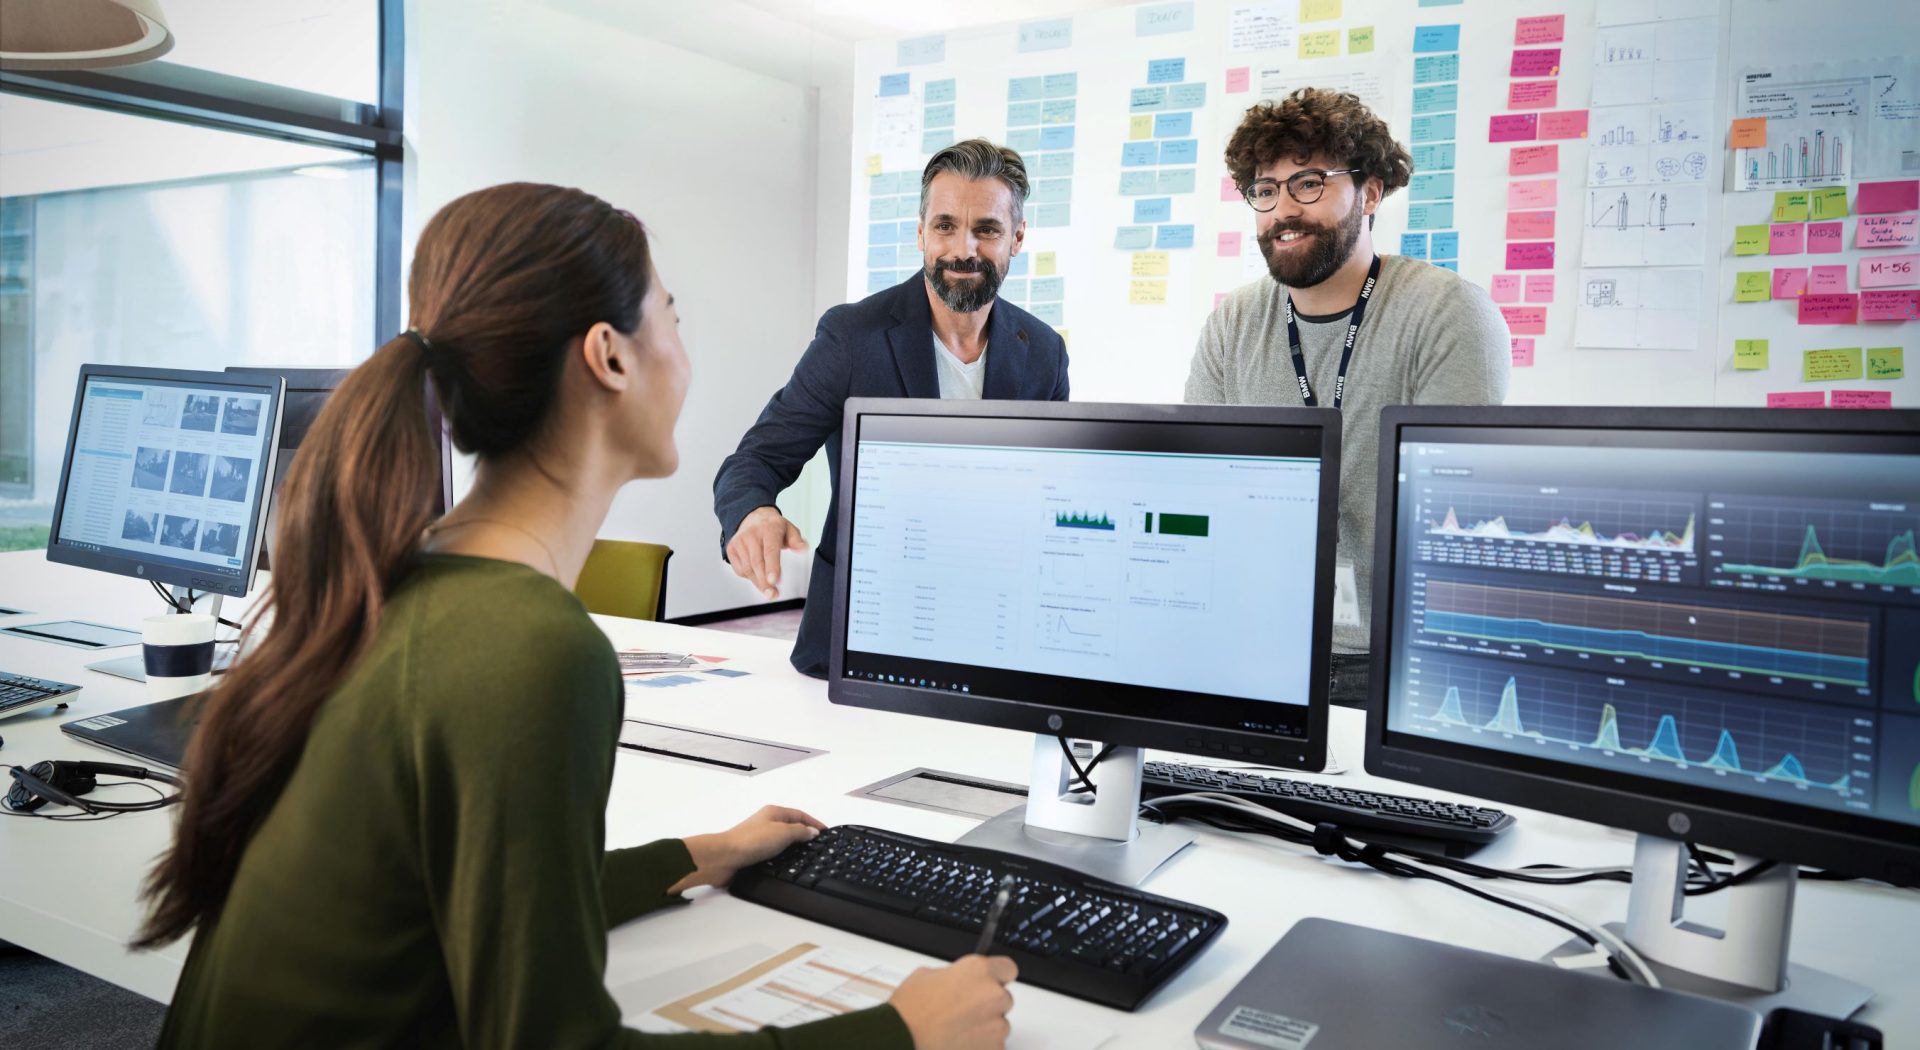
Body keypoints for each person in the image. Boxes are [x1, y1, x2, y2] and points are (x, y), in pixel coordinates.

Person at [138, 183, 1019, 1049]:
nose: (684, 349)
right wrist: (899, 1034)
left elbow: (490, 890)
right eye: (671, 316)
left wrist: (693, 855)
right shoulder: (533, 651)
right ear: (609, 357)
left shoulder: (408, 578)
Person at [1186, 88, 1509, 708]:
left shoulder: (1448, 315)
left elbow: (1460, 522)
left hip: (1398, 663)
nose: (1282, 210)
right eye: (1265, 190)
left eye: (1308, 183)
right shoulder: (1233, 325)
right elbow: (1207, 491)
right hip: (1258, 650)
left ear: (1370, 191)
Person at [714, 139, 1070, 678]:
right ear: (921, 231)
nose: (963, 249)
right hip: (861, 632)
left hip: (996, 632)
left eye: (987, 230)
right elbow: (755, 459)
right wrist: (753, 512)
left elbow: (1054, 494)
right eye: (945, 226)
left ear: (1017, 237)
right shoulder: (852, 337)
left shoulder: (1043, 351)